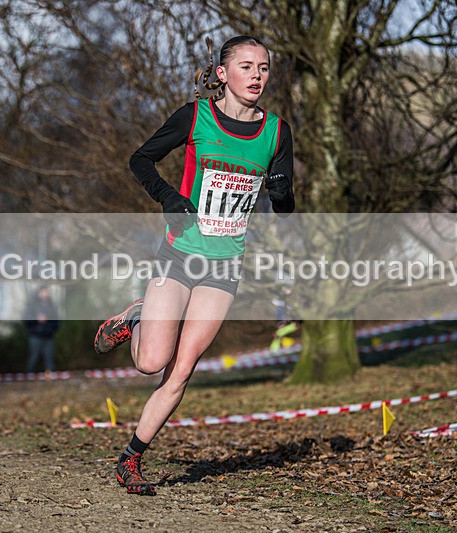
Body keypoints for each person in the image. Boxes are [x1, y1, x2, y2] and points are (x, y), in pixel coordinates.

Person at [93, 35, 294, 496]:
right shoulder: (195, 116)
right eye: (246, 67)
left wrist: (280, 188)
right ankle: (139, 313)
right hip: (181, 253)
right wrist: (168, 198)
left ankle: (131, 459)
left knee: (181, 370)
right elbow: (139, 159)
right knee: (150, 361)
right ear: (222, 74)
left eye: (263, 68)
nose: (256, 76)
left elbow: (284, 207)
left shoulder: (277, 132)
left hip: (225, 265)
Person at [24, 286, 60, 372]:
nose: (45, 293)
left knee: (49, 358)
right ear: (39, 293)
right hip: (35, 336)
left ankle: (49, 378)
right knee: (33, 357)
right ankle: (29, 376)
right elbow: (26, 319)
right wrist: (37, 319)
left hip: (48, 336)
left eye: (46, 291)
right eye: (43, 291)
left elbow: (57, 321)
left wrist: (51, 328)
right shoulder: (32, 305)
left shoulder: (52, 306)